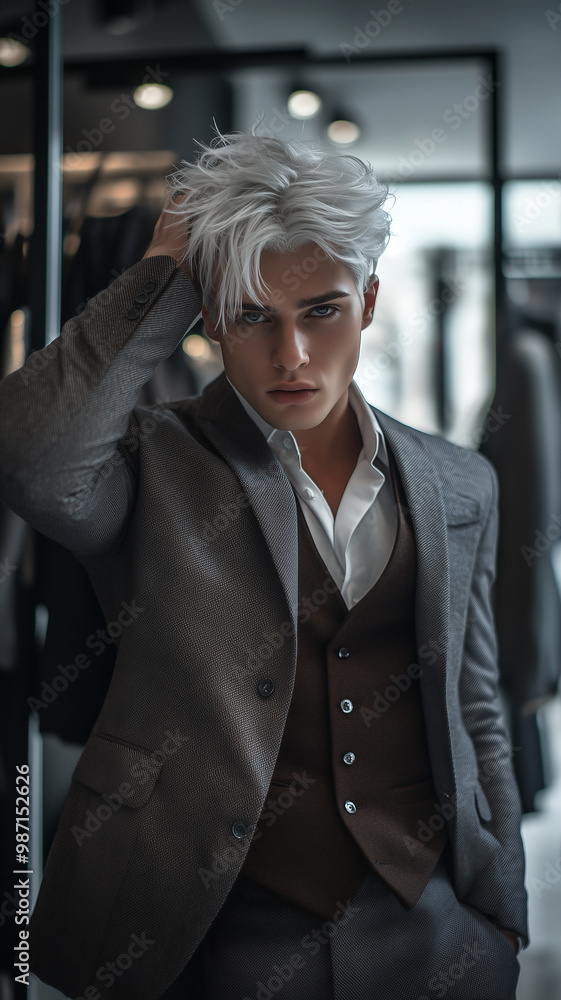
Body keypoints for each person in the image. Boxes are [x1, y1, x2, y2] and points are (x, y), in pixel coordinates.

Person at [0, 130, 527, 1000]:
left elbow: (476, 706)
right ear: (210, 320)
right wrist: (166, 275)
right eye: (253, 315)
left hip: (429, 928)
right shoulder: (146, 462)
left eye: (320, 309)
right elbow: (29, 458)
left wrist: (501, 912)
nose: (291, 356)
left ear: (367, 302)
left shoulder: (458, 481)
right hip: (192, 928)